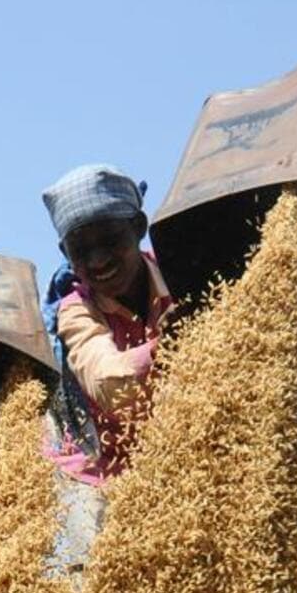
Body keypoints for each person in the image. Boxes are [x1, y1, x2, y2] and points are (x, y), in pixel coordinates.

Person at [39, 164, 175, 563]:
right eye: (81, 250)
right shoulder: (75, 311)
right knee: (97, 572)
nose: (98, 260)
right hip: (94, 461)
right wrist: (164, 348)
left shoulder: (183, 276)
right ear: (66, 254)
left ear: (138, 227)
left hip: (168, 453)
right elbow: (108, 385)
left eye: (111, 240)